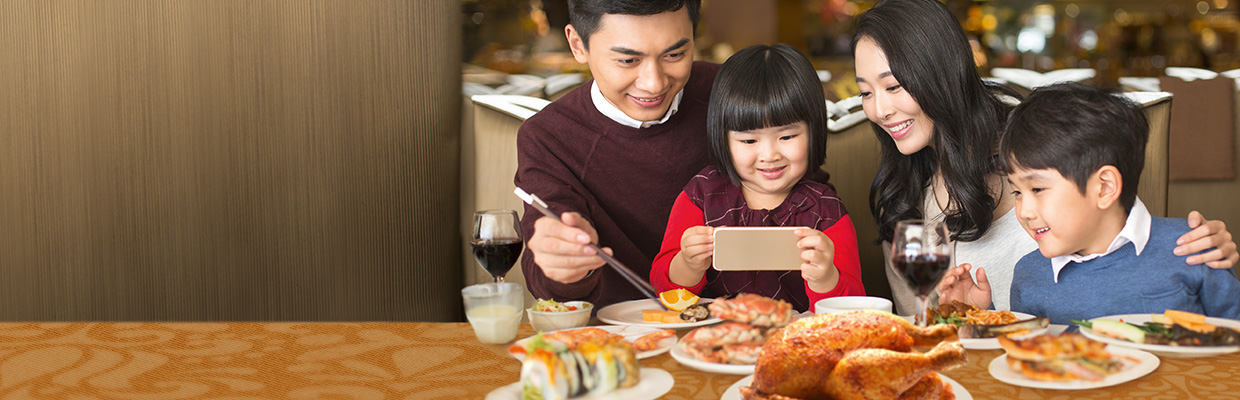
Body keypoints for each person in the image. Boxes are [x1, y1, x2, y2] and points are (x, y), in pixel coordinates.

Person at [851, 0, 1239, 315]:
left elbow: (1123, 239)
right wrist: (962, 319)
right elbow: (923, 323)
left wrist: (1198, 248)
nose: (879, 110)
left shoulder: (1036, 149)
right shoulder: (903, 194)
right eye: (866, 92)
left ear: (940, 74)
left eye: (894, 86)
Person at [951, 83, 1240, 324]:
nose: (1024, 212)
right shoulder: (1030, 274)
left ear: (1104, 187)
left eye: (1038, 189)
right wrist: (976, 318)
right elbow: (1024, 362)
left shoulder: (1194, 248)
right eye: (1017, 192)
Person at [514, 0, 717, 308]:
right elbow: (546, 285)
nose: (654, 83)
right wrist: (564, 264)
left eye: (675, 54)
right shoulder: (549, 136)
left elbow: (810, 201)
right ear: (578, 45)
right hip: (616, 337)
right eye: (627, 61)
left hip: (743, 326)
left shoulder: (732, 93)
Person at [650, 44, 866, 313]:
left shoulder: (826, 211)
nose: (769, 154)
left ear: (815, 131)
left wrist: (825, 277)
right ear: (723, 138)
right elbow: (665, 292)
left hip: (797, 344)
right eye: (749, 140)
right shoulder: (700, 197)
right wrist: (688, 264)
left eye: (787, 137)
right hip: (714, 343)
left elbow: (853, 307)